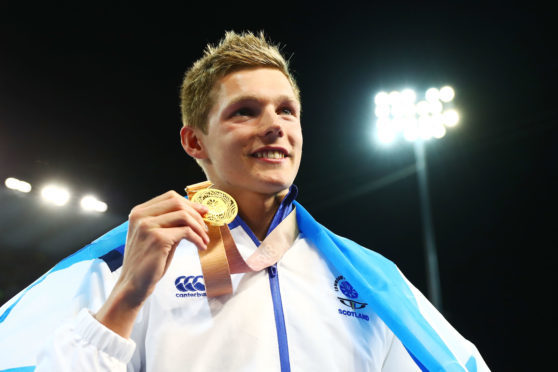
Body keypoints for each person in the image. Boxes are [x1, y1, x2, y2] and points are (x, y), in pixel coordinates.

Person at [0, 31, 489, 371]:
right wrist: (126, 298)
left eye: (286, 110)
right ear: (195, 143)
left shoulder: (371, 278)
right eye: (245, 112)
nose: (274, 124)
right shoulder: (124, 264)